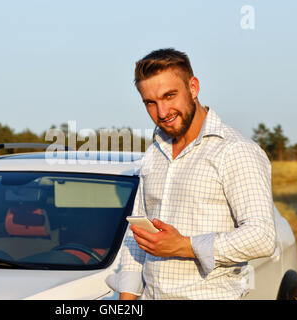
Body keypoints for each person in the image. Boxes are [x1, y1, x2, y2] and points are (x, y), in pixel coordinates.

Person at [106, 48, 276, 300]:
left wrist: (186, 246)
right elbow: (138, 233)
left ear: (193, 88)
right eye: (150, 103)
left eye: (170, 96)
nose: (162, 112)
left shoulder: (235, 150)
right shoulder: (155, 152)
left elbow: (262, 237)